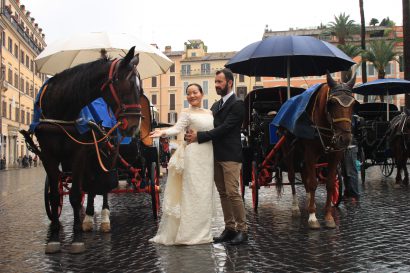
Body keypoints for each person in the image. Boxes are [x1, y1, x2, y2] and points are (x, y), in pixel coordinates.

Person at [185, 68, 247, 245]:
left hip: (230, 156)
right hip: (215, 155)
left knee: (233, 193)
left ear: (229, 83)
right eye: (215, 82)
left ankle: (243, 230)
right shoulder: (215, 106)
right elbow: (207, 124)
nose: (216, 85)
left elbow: (224, 129)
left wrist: (200, 136)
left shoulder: (238, 104)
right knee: (223, 193)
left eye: (219, 82)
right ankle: (230, 228)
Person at [149, 83, 214, 245]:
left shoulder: (210, 113)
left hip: (208, 156)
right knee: (191, 192)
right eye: (189, 93)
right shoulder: (186, 112)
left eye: (195, 92)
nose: (192, 96)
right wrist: (162, 132)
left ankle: (203, 233)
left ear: (202, 94)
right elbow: (177, 129)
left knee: (204, 193)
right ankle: (188, 234)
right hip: (192, 155)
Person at [341, 115, 360, 201]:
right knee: (345, 172)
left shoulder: (351, 117)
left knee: (351, 172)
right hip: (343, 147)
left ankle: (355, 195)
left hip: (350, 147)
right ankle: (348, 193)